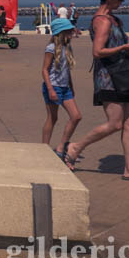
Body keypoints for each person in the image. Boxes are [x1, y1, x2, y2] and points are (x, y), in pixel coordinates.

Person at [64, 0, 129, 183]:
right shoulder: (102, 21)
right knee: (115, 124)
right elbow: (97, 52)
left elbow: (114, 45)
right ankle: (75, 147)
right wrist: (124, 48)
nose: (122, 1)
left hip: (124, 73)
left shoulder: (114, 20)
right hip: (109, 78)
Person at [41, 18, 82, 163]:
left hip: (65, 88)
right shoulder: (51, 48)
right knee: (52, 118)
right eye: (69, 30)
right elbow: (45, 70)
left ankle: (60, 147)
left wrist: (71, 86)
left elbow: (67, 70)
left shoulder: (67, 46)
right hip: (53, 86)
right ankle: (44, 149)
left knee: (76, 116)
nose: (72, 32)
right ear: (61, 32)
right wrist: (51, 89)